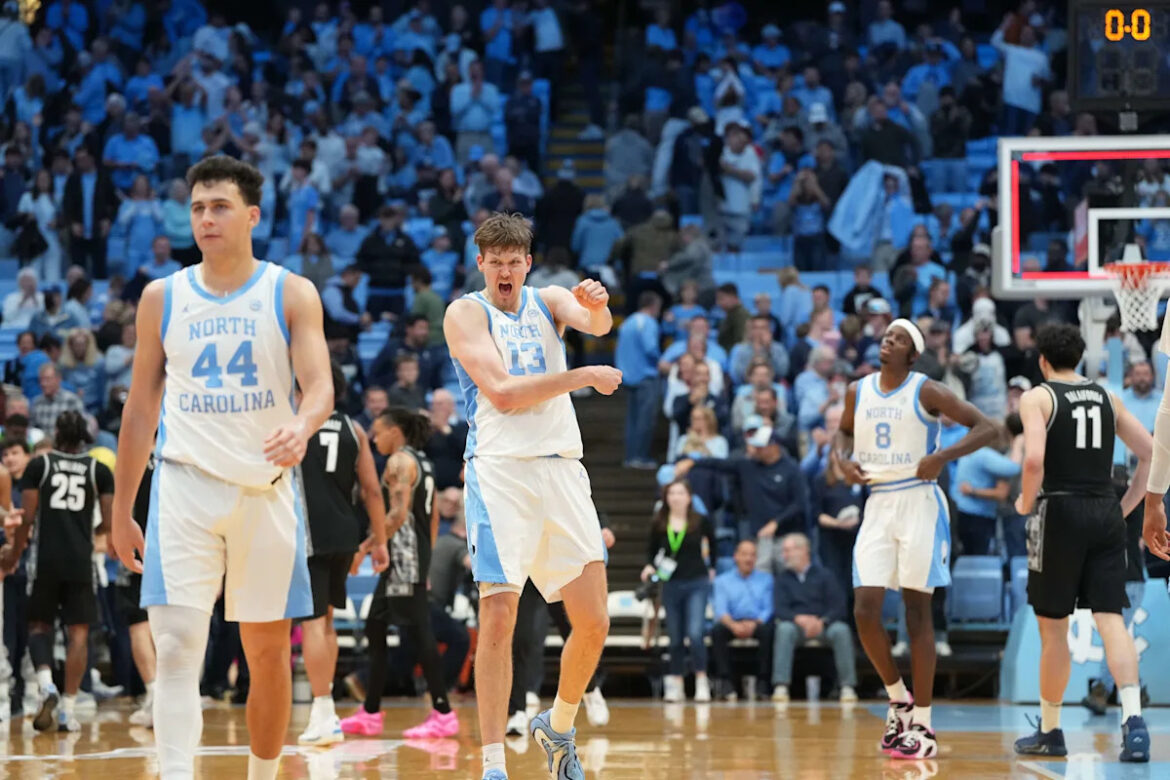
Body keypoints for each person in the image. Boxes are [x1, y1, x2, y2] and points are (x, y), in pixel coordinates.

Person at [108, 156, 334, 780]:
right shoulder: (161, 297)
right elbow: (140, 409)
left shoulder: (290, 291)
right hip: (184, 486)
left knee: (267, 654)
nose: (206, 218)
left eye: (220, 207)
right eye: (198, 208)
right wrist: (122, 509)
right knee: (177, 647)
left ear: (252, 216)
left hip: (265, 488)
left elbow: (320, 385)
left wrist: (303, 423)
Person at [443, 212, 621, 780]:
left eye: (514, 261)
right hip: (501, 473)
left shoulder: (547, 300)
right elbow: (501, 392)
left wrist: (597, 304)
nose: (505, 270)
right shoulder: (465, 312)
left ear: (528, 263)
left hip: (561, 469)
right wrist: (582, 376)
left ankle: (558, 726)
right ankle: (494, 765)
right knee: (499, 616)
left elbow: (596, 324)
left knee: (594, 622)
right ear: (481, 264)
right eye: (494, 261)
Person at [834, 318, 995, 759]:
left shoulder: (927, 390)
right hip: (877, 502)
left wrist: (943, 456)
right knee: (864, 610)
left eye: (899, 338)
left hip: (919, 500)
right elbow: (843, 432)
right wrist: (842, 461)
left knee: (916, 612)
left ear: (913, 353)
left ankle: (923, 722)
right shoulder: (857, 391)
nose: (888, 340)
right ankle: (898, 698)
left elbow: (987, 427)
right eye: (887, 334)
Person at [1014, 324, 1151, 762]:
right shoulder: (1108, 397)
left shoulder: (1038, 397)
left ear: (1042, 361)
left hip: (1059, 510)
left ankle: (1051, 731)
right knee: (1111, 620)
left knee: (1053, 629)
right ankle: (1134, 722)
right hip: (1105, 510)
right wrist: (1126, 507)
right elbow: (1151, 453)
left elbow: (1034, 459)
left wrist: (1024, 502)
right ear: (1080, 357)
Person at [341, 407, 455, 738]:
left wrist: (365, 547)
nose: (374, 438)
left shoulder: (399, 462)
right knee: (375, 625)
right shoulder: (423, 461)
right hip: (410, 556)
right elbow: (433, 517)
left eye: (378, 432)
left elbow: (396, 515)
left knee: (420, 633)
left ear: (395, 431)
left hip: (404, 556)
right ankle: (371, 711)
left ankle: (443, 712)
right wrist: (425, 557)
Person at [1, 411, 111, 733]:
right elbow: (107, 522)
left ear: (57, 433)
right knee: (78, 633)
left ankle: (47, 684)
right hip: (81, 562)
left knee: (39, 626)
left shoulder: (41, 465)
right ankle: (68, 710)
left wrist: (14, 554)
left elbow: (28, 518)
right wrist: (85, 532)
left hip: (46, 560)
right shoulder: (98, 469)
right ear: (84, 436)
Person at [297, 365, 389, 747]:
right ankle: (327, 708)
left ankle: (322, 711)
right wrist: (380, 540)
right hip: (344, 534)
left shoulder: (296, 424)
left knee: (312, 624)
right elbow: (372, 490)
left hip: (309, 534)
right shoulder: (355, 428)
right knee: (327, 622)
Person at [640, 480, 717, 703]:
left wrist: (712, 567)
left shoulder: (700, 521)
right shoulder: (659, 522)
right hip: (671, 583)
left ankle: (701, 680)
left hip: (696, 582)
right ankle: (676, 682)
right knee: (675, 636)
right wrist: (649, 566)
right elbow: (651, 550)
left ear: (689, 497)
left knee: (695, 633)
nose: (676, 497)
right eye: (671, 493)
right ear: (666, 498)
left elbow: (713, 544)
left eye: (680, 493)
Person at [770, 532, 858, 704]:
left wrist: (822, 621)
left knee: (841, 630)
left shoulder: (825, 575)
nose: (784, 555)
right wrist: (798, 619)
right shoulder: (782, 579)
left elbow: (839, 606)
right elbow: (779, 609)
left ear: (803, 550)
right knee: (784, 629)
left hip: (824, 626)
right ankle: (781, 685)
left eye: (788, 550)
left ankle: (847, 686)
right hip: (796, 626)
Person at [118, 454, 158, 728]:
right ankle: (172, 693)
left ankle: (154, 692)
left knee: (139, 625)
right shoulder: (180, 449)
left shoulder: (134, 456)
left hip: (139, 548)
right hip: (177, 546)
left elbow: (119, 503)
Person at [710, 540, 774, 701]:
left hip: (757, 623)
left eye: (752, 555)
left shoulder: (766, 580)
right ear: (736, 557)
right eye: (744, 554)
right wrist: (733, 625)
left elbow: (768, 608)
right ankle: (725, 681)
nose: (748, 559)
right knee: (717, 630)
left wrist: (755, 623)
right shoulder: (722, 581)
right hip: (732, 622)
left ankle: (763, 682)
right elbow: (720, 610)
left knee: (770, 630)